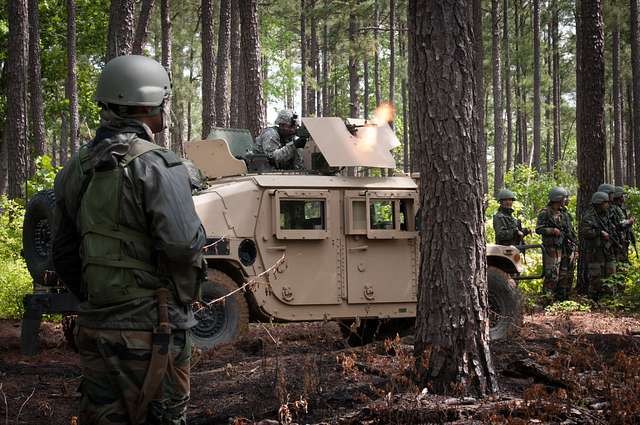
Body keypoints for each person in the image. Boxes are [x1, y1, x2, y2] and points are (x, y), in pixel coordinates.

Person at [52, 55, 206, 424]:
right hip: (155, 329)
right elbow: (184, 245)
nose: (165, 109)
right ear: (145, 104)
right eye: (163, 101)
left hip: (97, 328)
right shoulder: (159, 165)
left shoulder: (76, 168)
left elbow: (63, 254)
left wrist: (99, 301)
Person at [536, 187, 573, 301]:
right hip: (552, 249)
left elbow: (570, 230)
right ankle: (547, 300)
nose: (566, 200)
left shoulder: (564, 213)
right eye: (564, 198)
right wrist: (552, 230)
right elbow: (539, 229)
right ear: (558, 199)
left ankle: (561, 299)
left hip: (564, 247)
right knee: (552, 275)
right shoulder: (545, 212)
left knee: (564, 274)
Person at [579, 191, 617, 301]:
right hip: (595, 252)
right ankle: (594, 301)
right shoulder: (589, 216)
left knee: (611, 274)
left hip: (608, 250)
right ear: (599, 203)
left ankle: (610, 299)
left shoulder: (607, 215)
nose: (608, 204)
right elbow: (585, 232)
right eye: (606, 202)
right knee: (596, 277)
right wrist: (599, 233)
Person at [611, 186, 636, 262]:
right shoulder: (615, 208)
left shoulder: (620, 208)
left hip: (622, 240)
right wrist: (629, 221)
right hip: (618, 240)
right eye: (622, 196)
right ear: (619, 197)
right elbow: (620, 224)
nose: (624, 197)